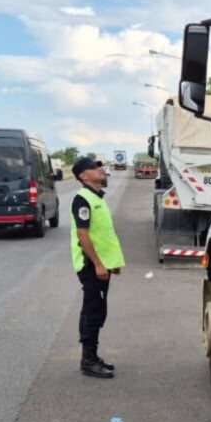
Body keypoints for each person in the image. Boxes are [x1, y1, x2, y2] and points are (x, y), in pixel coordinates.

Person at [70, 157, 125, 378]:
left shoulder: (96, 198)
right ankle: (88, 360)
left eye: (99, 166)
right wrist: (99, 264)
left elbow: (103, 235)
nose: (100, 169)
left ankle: (92, 356)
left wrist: (112, 263)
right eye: (94, 167)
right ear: (83, 176)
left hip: (101, 265)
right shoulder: (82, 199)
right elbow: (83, 235)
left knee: (97, 308)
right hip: (91, 265)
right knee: (93, 310)